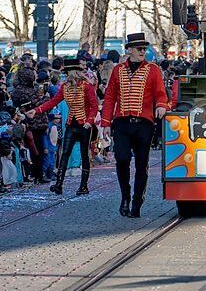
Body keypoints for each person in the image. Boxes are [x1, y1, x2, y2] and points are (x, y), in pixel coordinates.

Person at [100, 33, 168, 219]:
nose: (142, 52)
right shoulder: (118, 70)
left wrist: (161, 105)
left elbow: (160, 93)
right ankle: (125, 196)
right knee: (121, 159)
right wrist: (106, 122)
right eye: (139, 49)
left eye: (144, 49)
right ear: (129, 50)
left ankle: (137, 200)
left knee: (141, 164)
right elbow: (110, 97)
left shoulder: (153, 70)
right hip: (121, 122)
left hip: (144, 124)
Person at [29, 58, 99, 196]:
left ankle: (83, 185)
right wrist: (37, 110)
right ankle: (59, 185)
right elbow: (54, 101)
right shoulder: (65, 87)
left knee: (84, 154)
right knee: (65, 152)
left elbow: (94, 106)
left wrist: (89, 121)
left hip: (84, 125)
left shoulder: (87, 86)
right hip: (71, 124)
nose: (66, 76)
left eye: (67, 73)